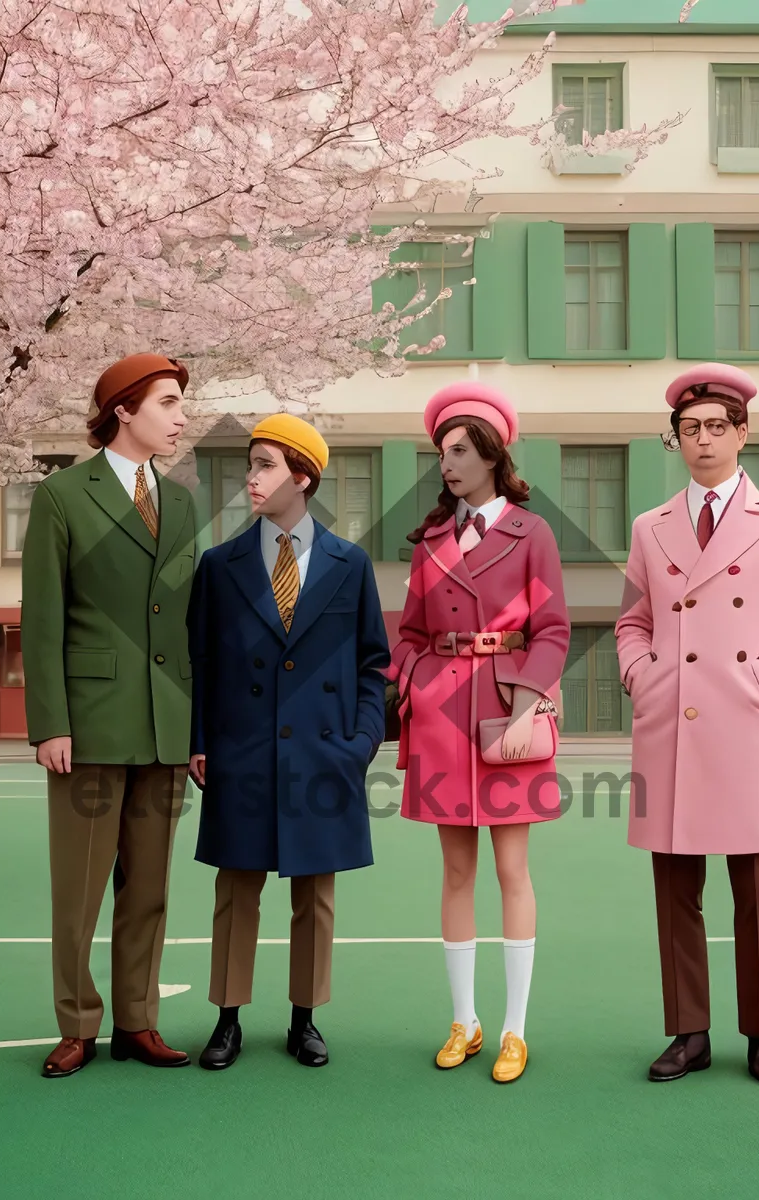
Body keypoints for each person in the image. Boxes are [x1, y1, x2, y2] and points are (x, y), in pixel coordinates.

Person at [616, 363, 759, 1086]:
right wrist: (641, 676)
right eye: (688, 428)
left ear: (743, 434)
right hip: (671, 724)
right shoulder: (651, 528)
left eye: (715, 427)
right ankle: (688, 1032)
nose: (702, 440)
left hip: (747, 721)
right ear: (674, 439)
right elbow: (631, 622)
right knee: (674, 889)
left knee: (758, 890)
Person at [186, 414, 389, 1071]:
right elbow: (201, 664)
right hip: (240, 747)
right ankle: (227, 1019)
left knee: (315, 893)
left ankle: (306, 1019)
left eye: (266, 464)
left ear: (301, 477)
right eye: (251, 463)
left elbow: (371, 665)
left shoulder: (350, 565)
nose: (251, 477)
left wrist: (360, 743)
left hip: (324, 750)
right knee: (235, 889)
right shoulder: (219, 567)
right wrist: (199, 741)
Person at [387, 381, 570, 1084]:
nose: (448, 464)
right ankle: (464, 1022)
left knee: (511, 871)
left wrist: (528, 706)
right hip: (441, 722)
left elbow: (553, 630)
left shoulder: (534, 533)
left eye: (460, 450)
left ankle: (516, 1031)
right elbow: (405, 636)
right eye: (441, 453)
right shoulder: (429, 540)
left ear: (492, 454)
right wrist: (417, 684)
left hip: (508, 717)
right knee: (455, 872)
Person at [21, 353, 197, 1079]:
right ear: (123, 410)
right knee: (80, 891)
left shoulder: (181, 503)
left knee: (149, 889)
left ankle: (137, 1021)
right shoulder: (62, 495)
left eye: (183, 401)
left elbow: (184, 619)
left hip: (164, 726)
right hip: (89, 725)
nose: (181, 414)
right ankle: (76, 1025)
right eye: (167, 401)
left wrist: (195, 729)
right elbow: (43, 620)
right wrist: (50, 724)